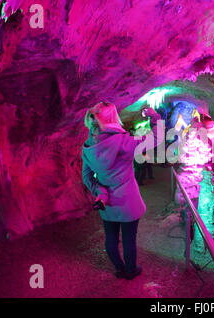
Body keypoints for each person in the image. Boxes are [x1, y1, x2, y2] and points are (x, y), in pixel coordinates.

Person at [82, 101, 162, 280]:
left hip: (107, 204)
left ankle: (119, 268)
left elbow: (87, 178)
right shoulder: (123, 141)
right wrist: (154, 117)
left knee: (110, 238)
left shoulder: (88, 147)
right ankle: (131, 271)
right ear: (112, 118)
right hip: (128, 202)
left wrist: (100, 192)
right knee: (129, 240)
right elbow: (156, 138)